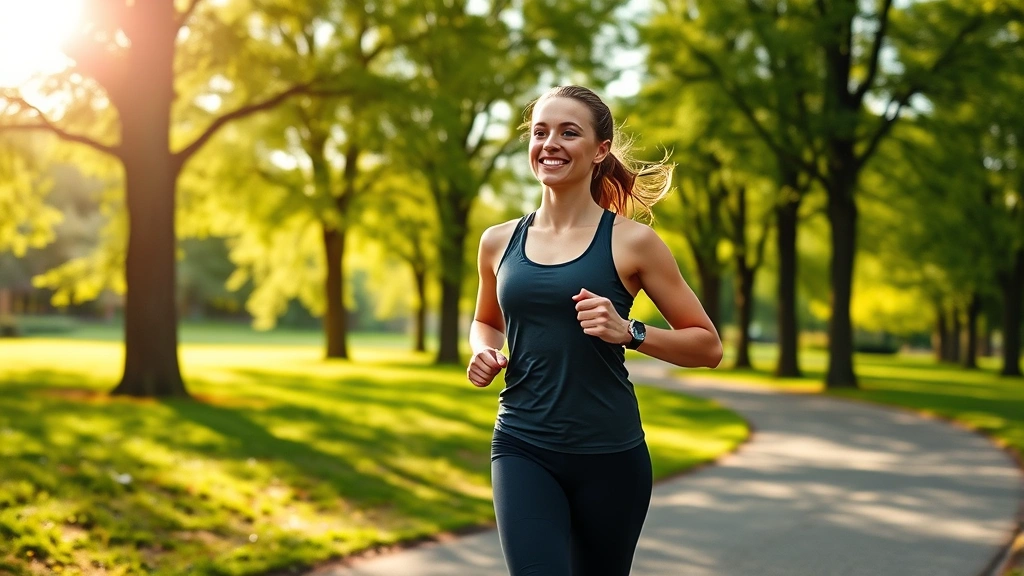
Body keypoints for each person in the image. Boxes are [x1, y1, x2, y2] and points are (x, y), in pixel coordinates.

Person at [466, 84, 723, 576]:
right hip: (522, 444)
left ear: (600, 150)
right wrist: (483, 351)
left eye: (569, 132)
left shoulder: (634, 243)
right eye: (540, 132)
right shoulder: (497, 242)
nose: (550, 143)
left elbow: (707, 346)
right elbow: (485, 321)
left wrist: (630, 331)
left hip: (611, 457)